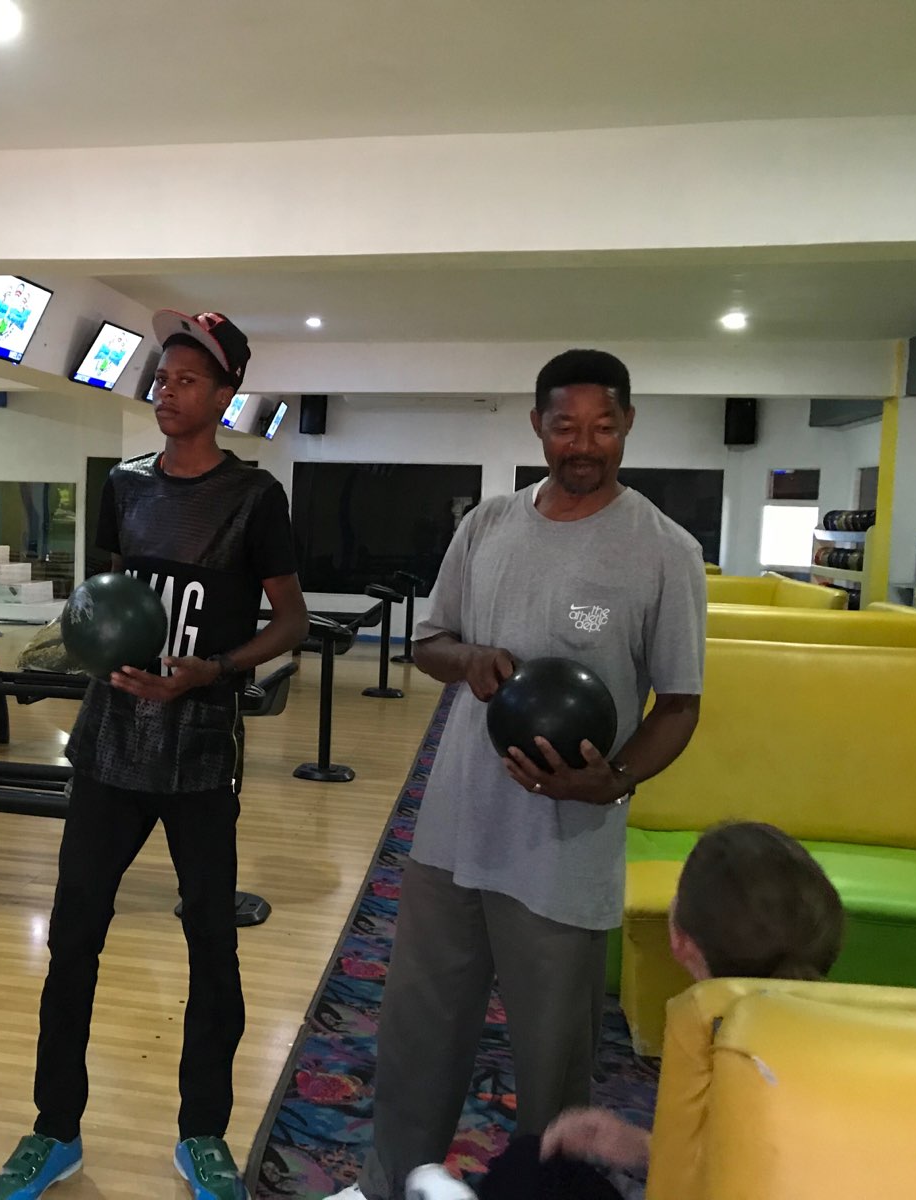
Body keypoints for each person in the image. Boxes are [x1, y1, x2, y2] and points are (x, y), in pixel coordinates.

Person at [330, 349, 708, 1200]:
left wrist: (613, 779)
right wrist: (468, 659)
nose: (585, 444)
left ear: (628, 424)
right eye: (566, 426)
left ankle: (549, 1192)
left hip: (564, 842)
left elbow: (680, 705)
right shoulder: (488, 525)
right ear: (538, 426)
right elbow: (429, 642)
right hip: (453, 825)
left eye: (603, 426)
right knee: (418, 1029)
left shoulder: (664, 551)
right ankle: (389, 1183)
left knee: (552, 1058)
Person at [0, 311, 310, 1200]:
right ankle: (55, 1129)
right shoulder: (124, 486)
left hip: (199, 753)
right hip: (109, 748)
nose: (168, 391)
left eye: (188, 380)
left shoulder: (254, 498)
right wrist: (92, 649)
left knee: (212, 946)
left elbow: (291, 620)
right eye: (162, 378)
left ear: (226, 394)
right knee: (73, 939)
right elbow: (105, 600)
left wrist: (216, 669)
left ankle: (202, 1135)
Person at [395, 821, 845, 1199]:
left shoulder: (714, 1049)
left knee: (526, 1172)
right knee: (537, 1160)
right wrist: (643, 1147)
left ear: (679, 939)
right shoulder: (839, 1037)